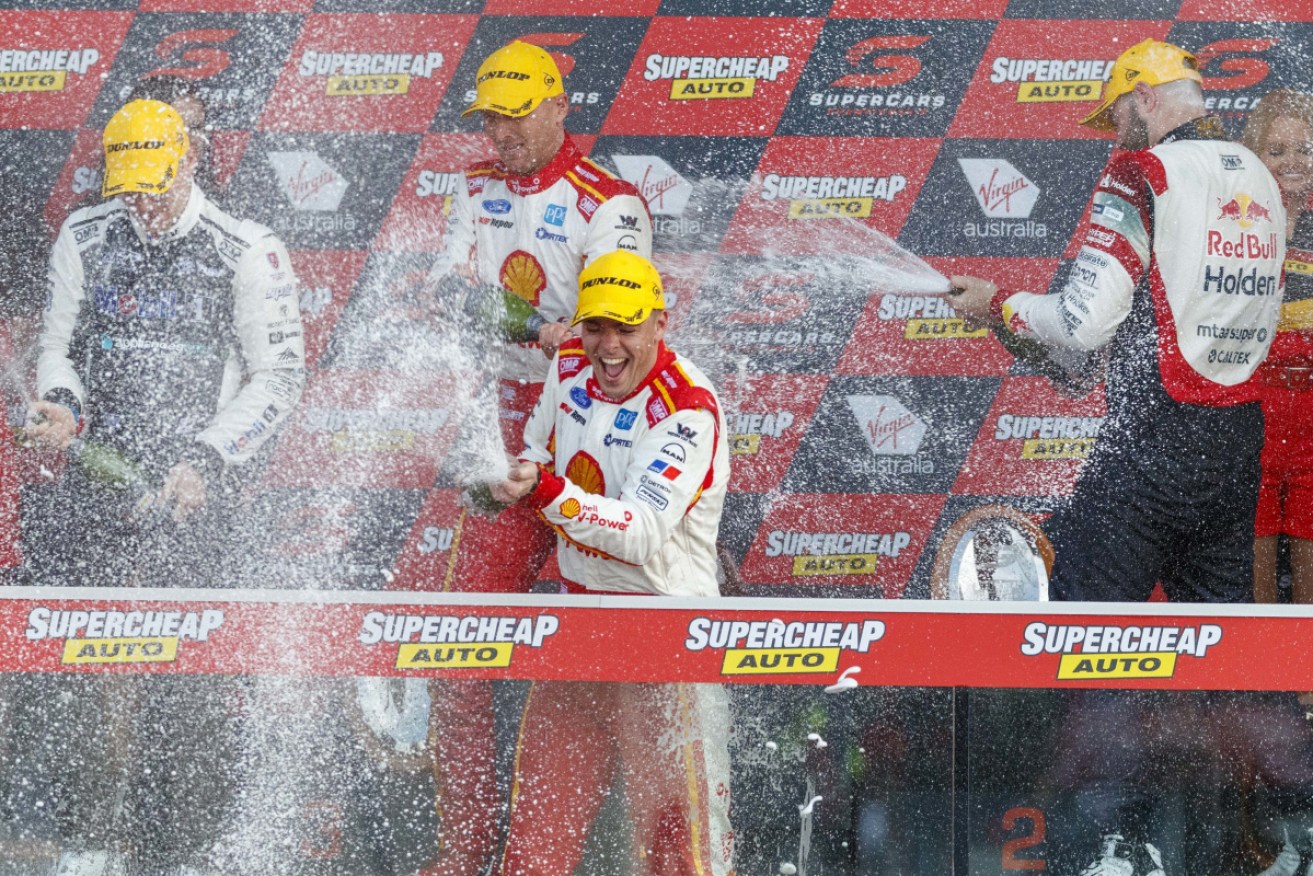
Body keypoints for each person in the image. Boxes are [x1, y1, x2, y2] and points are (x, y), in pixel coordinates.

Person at [949, 39, 1290, 874]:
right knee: (1221, 654)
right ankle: (1254, 844)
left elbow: (1085, 321)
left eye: (1117, 117)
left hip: (1154, 438)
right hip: (1235, 441)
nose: (1114, 134)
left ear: (1142, 101)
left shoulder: (1141, 175)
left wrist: (997, 304)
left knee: (1090, 634)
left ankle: (1115, 841)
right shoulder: (1259, 175)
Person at [17, 97, 306, 875]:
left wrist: (209, 460)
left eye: (156, 182)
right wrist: (64, 409)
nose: (142, 201)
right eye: (130, 184)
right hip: (95, 476)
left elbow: (281, 376)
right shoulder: (85, 234)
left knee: (189, 674)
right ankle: (77, 840)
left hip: (196, 485)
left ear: (187, 161)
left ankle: (172, 851)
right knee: (64, 661)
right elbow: (57, 349)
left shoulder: (247, 249)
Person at [407, 39, 652, 876]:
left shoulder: (609, 205)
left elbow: (615, 338)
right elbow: (443, 291)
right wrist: (528, 326)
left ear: (556, 107)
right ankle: (463, 850)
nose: (502, 136)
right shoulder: (473, 186)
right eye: (490, 121)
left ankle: (605, 856)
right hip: (508, 435)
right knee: (457, 648)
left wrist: (567, 336)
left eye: (516, 119)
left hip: (595, 446)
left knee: (612, 671)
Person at [488, 249, 734, 876]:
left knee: (680, 858)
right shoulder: (568, 363)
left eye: (626, 326)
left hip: (663, 642)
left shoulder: (686, 407)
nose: (608, 346)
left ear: (659, 323)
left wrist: (543, 491)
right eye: (596, 325)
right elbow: (535, 450)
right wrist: (508, 477)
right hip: (576, 632)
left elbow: (642, 533)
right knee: (535, 849)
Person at [1241, 90, 1313, 604]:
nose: (1292, 161)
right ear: (1254, 156)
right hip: (1251, 411)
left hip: (1310, 417)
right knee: (1252, 562)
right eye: (1277, 149)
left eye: (1303, 149)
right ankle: (1251, 682)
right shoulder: (1230, 222)